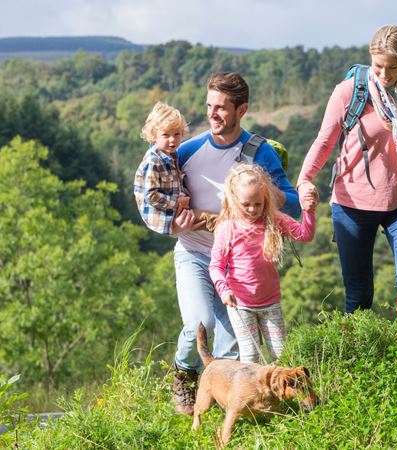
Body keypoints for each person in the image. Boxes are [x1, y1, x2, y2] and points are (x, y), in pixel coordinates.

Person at [297, 25, 397, 340]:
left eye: (394, 67)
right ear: (370, 59)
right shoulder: (350, 91)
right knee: (359, 292)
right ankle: (355, 361)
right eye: (379, 66)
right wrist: (304, 180)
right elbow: (324, 142)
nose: (385, 74)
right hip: (352, 203)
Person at [169, 72, 301, 415]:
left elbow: (293, 201)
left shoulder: (259, 152)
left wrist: (256, 192)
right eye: (209, 106)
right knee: (199, 322)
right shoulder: (187, 151)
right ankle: (184, 373)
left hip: (238, 266)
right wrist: (170, 222)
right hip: (196, 253)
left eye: (222, 108)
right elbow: (156, 194)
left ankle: (228, 415)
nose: (213, 114)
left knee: (233, 352)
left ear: (242, 109)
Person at [209, 163, 316, 363]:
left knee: (281, 355)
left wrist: (309, 211)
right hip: (240, 304)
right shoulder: (228, 228)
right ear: (234, 200)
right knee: (250, 355)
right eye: (246, 204)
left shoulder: (274, 220)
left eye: (258, 204)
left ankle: (280, 393)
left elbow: (304, 235)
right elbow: (215, 266)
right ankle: (253, 395)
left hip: (270, 302)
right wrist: (223, 290)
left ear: (265, 199)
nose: (253, 209)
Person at [133, 101, 190, 235]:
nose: (172, 140)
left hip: (173, 209)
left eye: (176, 134)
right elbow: (151, 196)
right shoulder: (153, 162)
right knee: (204, 220)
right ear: (153, 137)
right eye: (166, 135)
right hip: (162, 217)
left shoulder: (171, 155)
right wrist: (177, 203)